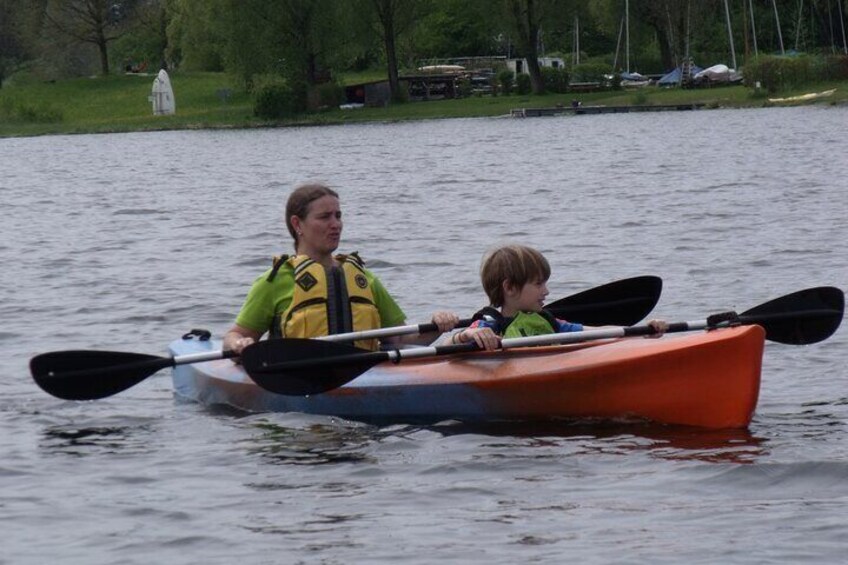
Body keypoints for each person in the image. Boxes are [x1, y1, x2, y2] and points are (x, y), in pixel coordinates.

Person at [224, 183, 459, 355]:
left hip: (365, 375)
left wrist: (437, 325)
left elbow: (399, 339)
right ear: (297, 224)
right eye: (325, 217)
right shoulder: (275, 281)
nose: (335, 224)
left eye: (338, 215)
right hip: (300, 379)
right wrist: (238, 345)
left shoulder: (364, 279)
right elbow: (236, 335)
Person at [445, 244, 668, 350]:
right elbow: (450, 345)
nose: (547, 291)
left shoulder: (550, 322)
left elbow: (596, 331)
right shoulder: (489, 324)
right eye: (538, 284)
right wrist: (466, 336)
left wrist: (640, 332)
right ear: (510, 287)